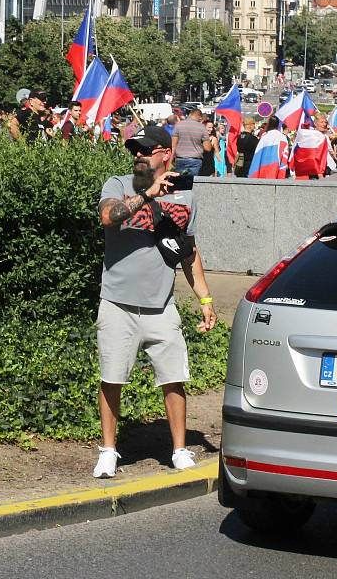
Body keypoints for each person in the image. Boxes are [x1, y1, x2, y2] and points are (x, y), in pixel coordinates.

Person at [93, 125, 217, 478]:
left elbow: (188, 252)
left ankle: (178, 450)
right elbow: (108, 216)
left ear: (166, 153)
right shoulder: (118, 184)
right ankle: (108, 452)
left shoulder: (185, 197)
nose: (138, 155)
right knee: (112, 377)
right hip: (117, 302)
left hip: (162, 304)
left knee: (173, 378)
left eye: (146, 149)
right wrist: (147, 195)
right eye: (134, 149)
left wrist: (205, 298)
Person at [171, 108, 212, 176]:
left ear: (190, 115)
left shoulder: (178, 125)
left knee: (180, 182)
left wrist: (171, 160)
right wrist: (199, 145)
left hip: (180, 159)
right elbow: (208, 148)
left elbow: (173, 145)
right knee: (193, 183)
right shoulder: (202, 127)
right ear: (199, 117)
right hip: (195, 160)